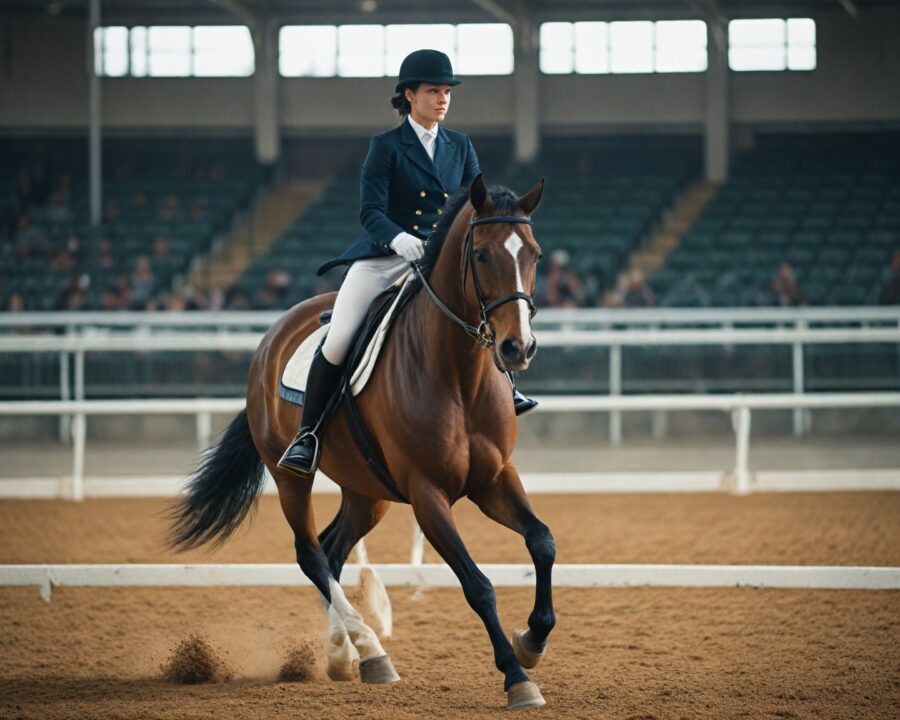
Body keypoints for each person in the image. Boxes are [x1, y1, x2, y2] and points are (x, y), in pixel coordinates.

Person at [278, 49, 537, 477]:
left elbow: (477, 206)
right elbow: (370, 211)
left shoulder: (460, 146)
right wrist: (400, 239)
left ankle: (506, 386)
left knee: (483, 310)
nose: (442, 98)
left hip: (439, 262)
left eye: (446, 91)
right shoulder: (386, 147)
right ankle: (309, 434)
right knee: (340, 335)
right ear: (409, 95)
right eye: (433, 90)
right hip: (384, 257)